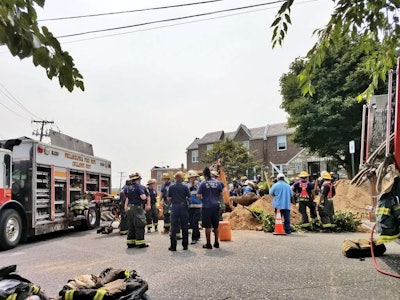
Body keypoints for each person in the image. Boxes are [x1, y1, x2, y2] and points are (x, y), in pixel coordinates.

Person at [197, 167, 224, 249]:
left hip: (206, 206)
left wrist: (203, 200)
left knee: (207, 226)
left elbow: (198, 196)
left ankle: (208, 244)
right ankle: (216, 243)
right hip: (215, 206)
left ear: (204, 174)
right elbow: (221, 194)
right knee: (216, 225)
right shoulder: (217, 183)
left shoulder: (202, 183)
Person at [124, 172, 151, 248]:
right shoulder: (140, 187)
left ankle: (130, 242)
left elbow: (127, 198)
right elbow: (143, 197)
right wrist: (146, 198)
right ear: (138, 179)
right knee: (139, 224)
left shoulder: (128, 188)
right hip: (137, 208)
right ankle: (140, 243)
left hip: (129, 208)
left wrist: (125, 206)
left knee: (131, 225)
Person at [167, 171, 191, 251]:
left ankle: (173, 246)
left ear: (175, 178)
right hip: (183, 207)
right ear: (181, 178)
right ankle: (185, 246)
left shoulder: (171, 187)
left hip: (174, 207)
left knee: (173, 227)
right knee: (184, 226)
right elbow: (189, 198)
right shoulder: (185, 187)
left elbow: (168, 198)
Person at [187, 170, 201, 244]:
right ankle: (198, 235)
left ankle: (194, 238)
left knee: (194, 222)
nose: (191, 179)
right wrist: (191, 186)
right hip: (190, 207)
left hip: (198, 206)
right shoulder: (187, 185)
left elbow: (201, 193)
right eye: (190, 178)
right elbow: (186, 190)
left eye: (193, 178)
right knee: (192, 223)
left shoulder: (199, 184)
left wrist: (197, 185)